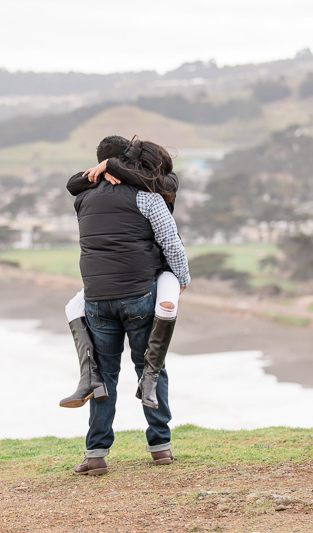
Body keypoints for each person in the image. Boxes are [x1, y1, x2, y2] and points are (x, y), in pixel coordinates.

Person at [67, 136, 190, 476]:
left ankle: (96, 454)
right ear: (126, 162)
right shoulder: (148, 198)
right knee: (149, 366)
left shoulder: (83, 200)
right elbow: (172, 244)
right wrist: (180, 281)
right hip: (138, 295)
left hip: (95, 299)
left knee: (102, 376)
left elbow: (75, 185)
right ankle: (160, 447)